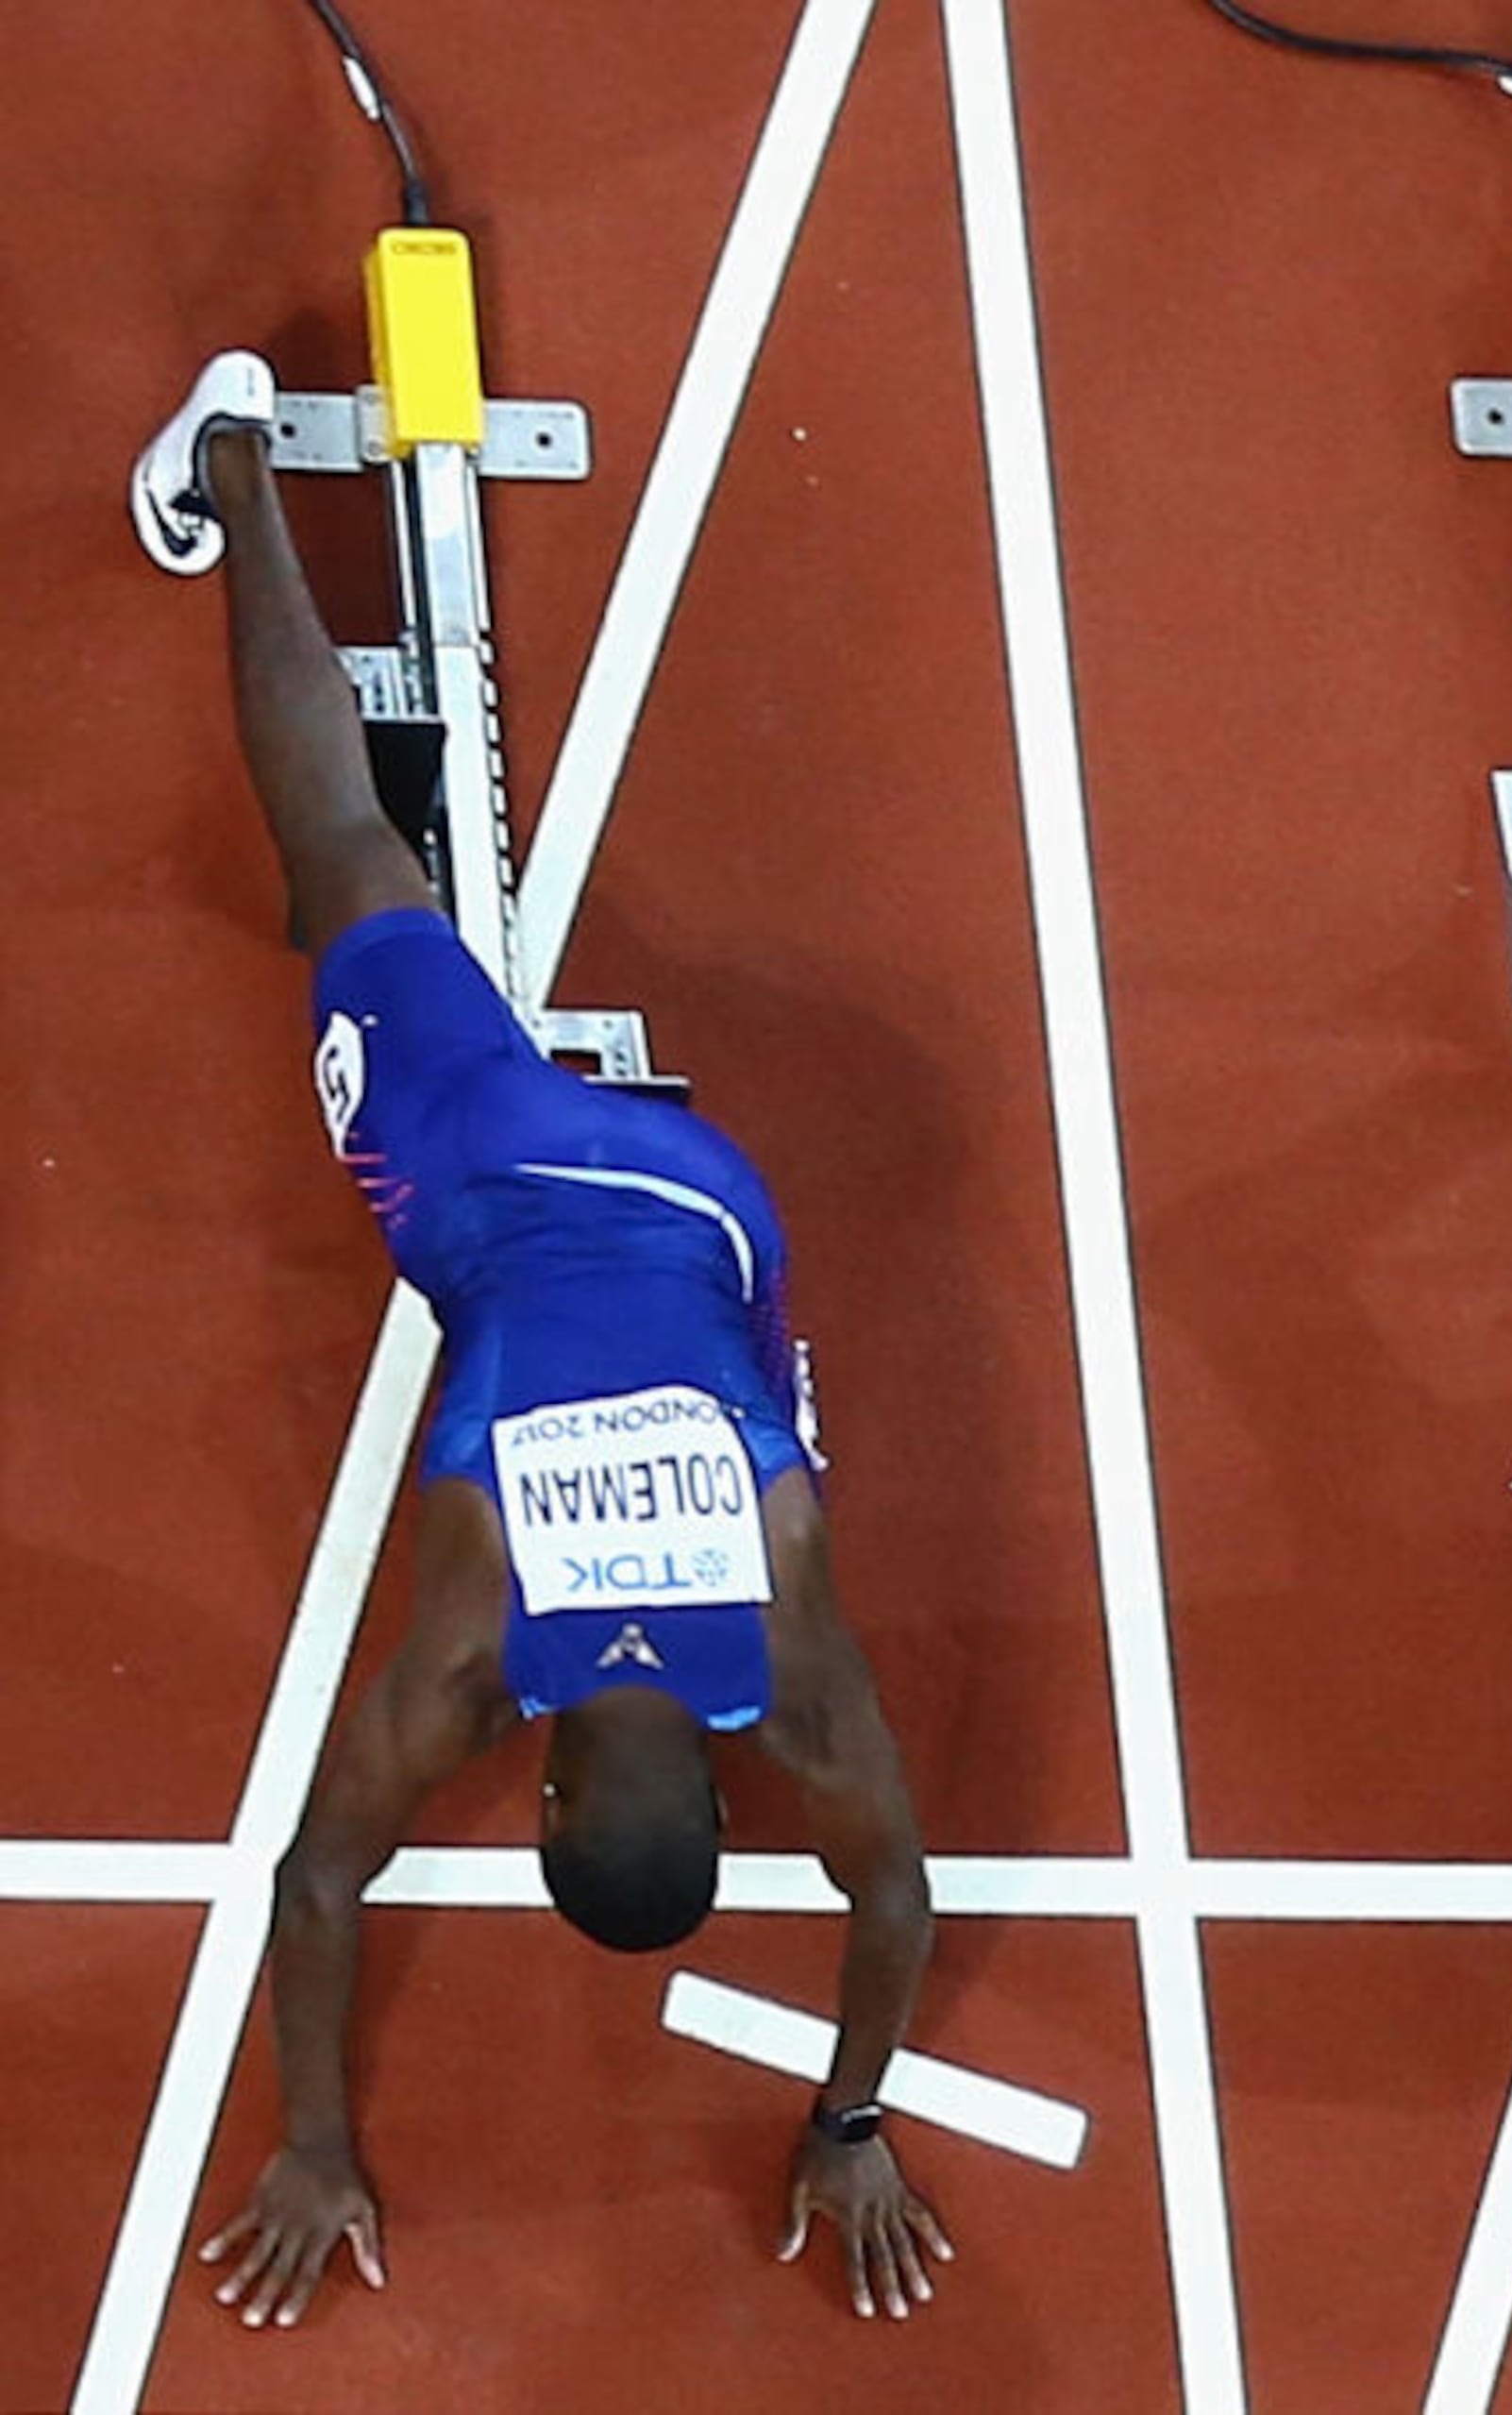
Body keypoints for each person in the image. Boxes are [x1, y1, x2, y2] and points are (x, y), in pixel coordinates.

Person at [132, 353, 950, 2326]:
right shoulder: (471, 1642)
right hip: (484, 1179)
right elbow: (314, 1882)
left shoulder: (805, 1671)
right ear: (560, 1791)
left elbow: (897, 1898)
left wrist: (857, 2109)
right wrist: (311, 2138)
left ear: (729, 1789)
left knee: (748, 1361)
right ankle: (233, 458)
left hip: (709, 1202)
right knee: (339, 855)